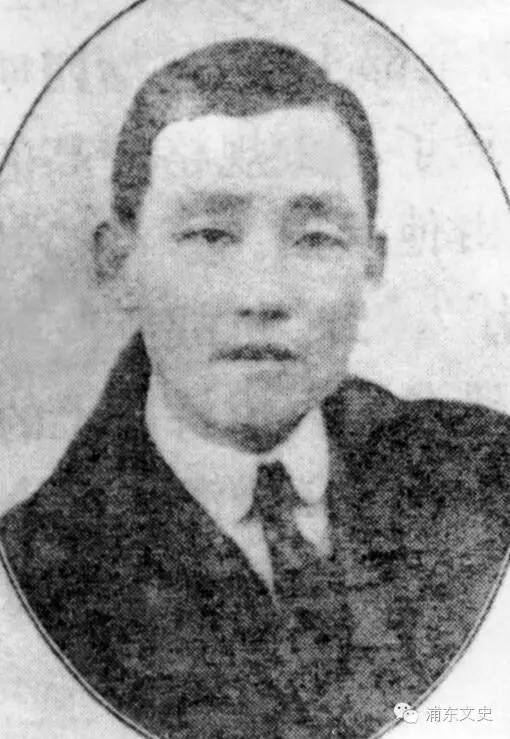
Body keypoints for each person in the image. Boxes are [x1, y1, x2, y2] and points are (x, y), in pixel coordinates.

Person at [1, 38, 510, 739]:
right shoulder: (38, 570)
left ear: (370, 264)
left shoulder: (484, 477)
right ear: (120, 264)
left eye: (315, 238)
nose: (264, 295)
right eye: (211, 235)